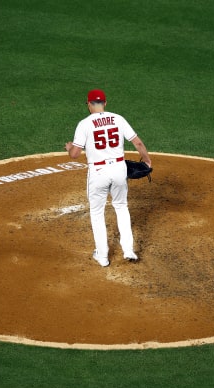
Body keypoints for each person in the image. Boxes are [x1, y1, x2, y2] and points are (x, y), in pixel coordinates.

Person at [65, 89, 152, 267]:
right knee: (121, 207)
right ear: (105, 103)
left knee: (97, 213)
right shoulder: (118, 118)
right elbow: (138, 142)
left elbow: (74, 154)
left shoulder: (84, 124)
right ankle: (128, 250)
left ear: (89, 105)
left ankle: (103, 256)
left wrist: (69, 147)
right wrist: (147, 160)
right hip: (119, 168)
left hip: (98, 172)